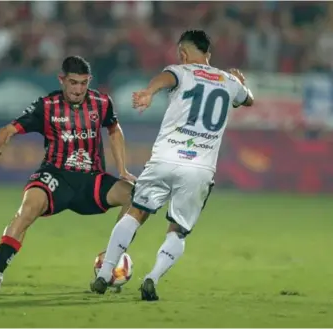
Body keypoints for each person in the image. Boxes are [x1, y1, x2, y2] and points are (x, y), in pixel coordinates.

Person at [90, 30, 254, 301]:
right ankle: (152, 278)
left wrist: (149, 91)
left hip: (165, 159)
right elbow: (248, 100)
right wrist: (239, 82)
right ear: (208, 55)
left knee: (135, 214)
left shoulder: (181, 70)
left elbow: (168, 78)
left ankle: (104, 274)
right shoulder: (228, 80)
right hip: (199, 169)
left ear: (183, 54)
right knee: (178, 229)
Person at [0, 56, 136, 291]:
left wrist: (123, 170)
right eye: (73, 83)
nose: (78, 89)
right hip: (56, 177)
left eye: (84, 83)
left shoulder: (102, 103)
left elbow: (114, 129)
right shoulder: (46, 106)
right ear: (61, 80)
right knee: (27, 209)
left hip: (91, 180)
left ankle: (110, 260)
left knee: (135, 197)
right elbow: (8, 129)